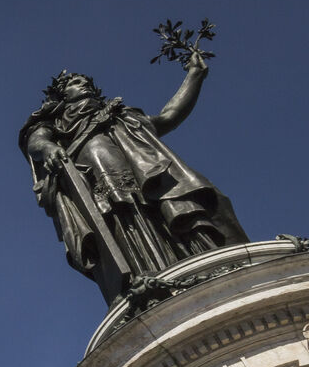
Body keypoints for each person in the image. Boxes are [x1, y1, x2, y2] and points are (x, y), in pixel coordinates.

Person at [19, 51, 247, 305]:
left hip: (151, 179)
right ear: (61, 95)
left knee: (174, 214)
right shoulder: (56, 124)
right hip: (101, 187)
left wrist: (195, 75)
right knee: (125, 222)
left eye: (85, 81)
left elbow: (168, 116)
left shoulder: (121, 116)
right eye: (74, 82)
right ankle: (148, 283)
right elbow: (36, 141)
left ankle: (208, 266)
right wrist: (48, 148)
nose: (82, 84)